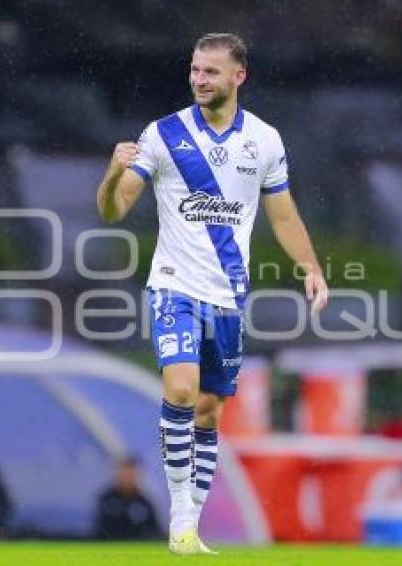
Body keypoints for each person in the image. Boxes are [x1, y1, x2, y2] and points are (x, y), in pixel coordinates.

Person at [96, 33, 328, 554]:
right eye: (195, 70)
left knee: (209, 411)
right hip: (174, 286)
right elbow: (113, 210)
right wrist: (113, 172)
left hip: (228, 296)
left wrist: (310, 266)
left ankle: (189, 527)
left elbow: (283, 213)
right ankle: (180, 518)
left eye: (211, 72)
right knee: (179, 390)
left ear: (238, 76)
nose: (199, 79)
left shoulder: (265, 141)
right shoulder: (163, 135)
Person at [94, 456, 163, 541]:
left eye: (131, 473)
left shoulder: (144, 503)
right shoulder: (107, 499)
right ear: (118, 474)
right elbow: (101, 529)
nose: (128, 477)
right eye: (125, 472)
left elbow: (154, 531)